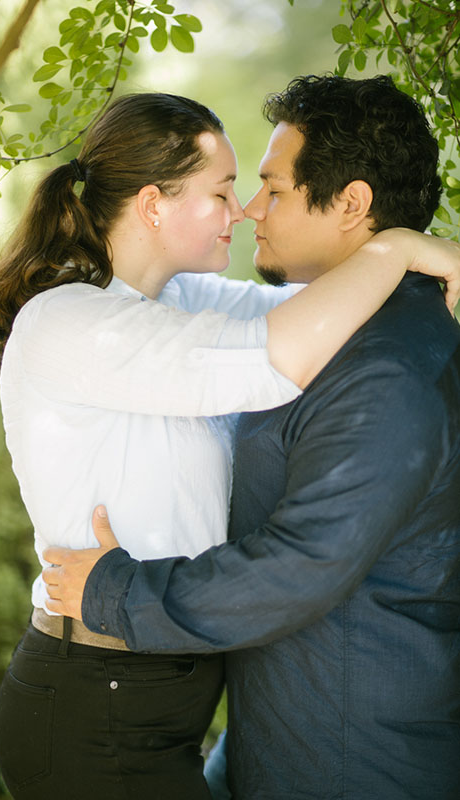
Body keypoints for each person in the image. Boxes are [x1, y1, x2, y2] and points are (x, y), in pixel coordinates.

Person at [43, 76, 460, 800]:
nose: (251, 211)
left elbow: (298, 567)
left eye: (273, 189)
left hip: (350, 763)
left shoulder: (388, 370)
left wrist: (115, 593)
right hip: (284, 740)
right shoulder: (333, 328)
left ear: (351, 205)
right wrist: (396, 249)